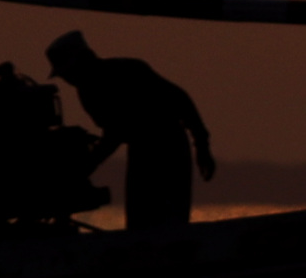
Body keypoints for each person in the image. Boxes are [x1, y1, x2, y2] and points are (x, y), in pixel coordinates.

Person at [43, 29, 217, 231]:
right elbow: (114, 133)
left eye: (68, 72)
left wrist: (201, 145)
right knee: (140, 222)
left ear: (84, 60)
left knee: (170, 220)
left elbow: (180, 100)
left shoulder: (130, 70)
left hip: (169, 147)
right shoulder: (86, 93)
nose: (68, 79)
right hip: (141, 152)